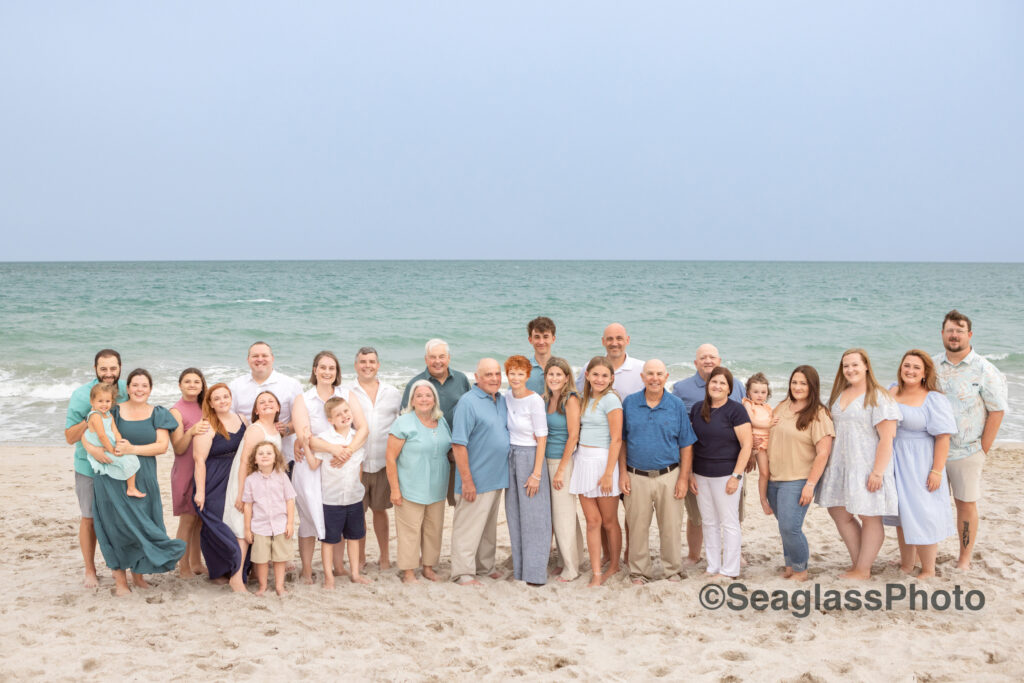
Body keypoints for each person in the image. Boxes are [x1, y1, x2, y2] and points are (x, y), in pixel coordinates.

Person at [82, 368, 185, 596]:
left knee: (142, 525)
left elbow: (161, 446)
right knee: (114, 526)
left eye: (144, 385)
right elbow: (87, 433)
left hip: (144, 476)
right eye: (135, 385)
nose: (139, 389)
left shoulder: (158, 413)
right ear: (127, 388)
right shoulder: (112, 410)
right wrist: (92, 449)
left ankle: (138, 576)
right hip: (111, 475)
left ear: (150, 389)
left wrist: (132, 449)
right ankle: (120, 581)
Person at [815, 349, 900, 580]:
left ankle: (863, 569)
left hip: (867, 465)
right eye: (846, 366)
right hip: (841, 464)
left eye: (855, 365)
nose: (850, 370)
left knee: (869, 515)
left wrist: (878, 472)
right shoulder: (839, 395)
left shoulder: (878, 397)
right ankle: (859, 562)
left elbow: (887, 438)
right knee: (838, 511)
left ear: (866, 367)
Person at [933, 310, 1008, 570]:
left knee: (965, 505)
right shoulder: (930, 366)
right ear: (942, 334)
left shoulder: (985, 369)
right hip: (932, 451)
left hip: (968, 451)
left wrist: (982, 449)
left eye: (960, 330)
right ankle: (926, 555)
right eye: (950, 330)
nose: (954, 335)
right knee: (929, 504)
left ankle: (964, 558)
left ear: (969, 334)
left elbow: (997, 410)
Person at [290, 351, 368, 583]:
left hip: (344, 460)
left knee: (338, 511)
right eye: (322, 367)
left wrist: (348, 451)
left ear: (337, 372)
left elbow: (362, 428)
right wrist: (335, 450)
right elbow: (306, 436)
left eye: (331, 368)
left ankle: (339, 567)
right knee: (310, 518)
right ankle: (306, 569)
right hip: (313, 464)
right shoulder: (303, 399)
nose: (327, 372)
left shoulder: (347, 395)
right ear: (314, 370)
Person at [620, 360, 697, 584]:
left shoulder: (676, 405)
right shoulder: (630, 403)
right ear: (642, 377)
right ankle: (639, 572)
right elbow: (622, 441)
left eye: (659, 374)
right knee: (637, 527)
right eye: (650, 374)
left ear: (666, 377)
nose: (655, 378)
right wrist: (623, 474)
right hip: (636, 475)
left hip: (669, 476)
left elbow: (686, 444)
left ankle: (672, 571)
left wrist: (683, 478)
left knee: (671, 527)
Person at [671, 343, 746, 565]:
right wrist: (688, 471)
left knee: (731, 517)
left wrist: (740, 470)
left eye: (712, 357)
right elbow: (683, 433)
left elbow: (747, 431)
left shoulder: (738, 391)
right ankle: (699, 558)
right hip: (700, 469)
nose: (708, 361)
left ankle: (733, 560)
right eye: (703, 357)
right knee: (701, 518)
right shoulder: (684, 392)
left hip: (730, 468)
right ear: (695, 363)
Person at [884, 351, 957, 579]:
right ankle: (907, 564)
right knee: (902, 514)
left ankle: (928, 569)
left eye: (916, 367)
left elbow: (943, 437)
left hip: (920, 460)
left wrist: (936, 470)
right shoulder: (892, 390)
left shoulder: (933, 398)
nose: (910, 371)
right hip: (896, 459)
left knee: (923, 513)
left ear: (925, 372)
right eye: (907, 365)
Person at [764, 366, 835, 581]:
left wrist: (810, 484)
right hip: (774, 478)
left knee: (790, 527)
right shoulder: (781, 407)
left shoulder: (819, 414)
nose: (797, 387)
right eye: (794, 382)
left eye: (803, 383)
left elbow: (823, 453)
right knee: (783, 525)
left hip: (797, 480)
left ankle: (801, 569)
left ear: (812, 386)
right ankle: (790, 565)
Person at [64, 349, 127, 588]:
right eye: (103, 369)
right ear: (95, 369)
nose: (108, 374)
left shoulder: (128, 391)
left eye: (113, 368)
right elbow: (70, 437)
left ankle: (120, 568)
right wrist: (93, 417)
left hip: (118, 466)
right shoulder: (82, 395)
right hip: (88, 467)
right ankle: (90, 570)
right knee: (89, 517)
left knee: (120, 518)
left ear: (120, 367)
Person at [686, 367, 752, 579]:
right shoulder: (697, 409)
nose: (717, 386)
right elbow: (691, 444)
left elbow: (747, 445)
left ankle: (730, 569)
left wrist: (736, 476)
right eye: (714, 382)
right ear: (708, 385)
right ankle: (713, 566)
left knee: (729, 522)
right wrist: (689, 475)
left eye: (723, 383)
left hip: (727, 475)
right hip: (701, 475)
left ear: (729, 388)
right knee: (708, 521)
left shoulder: (736, 411)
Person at [449, 358, 510, 586]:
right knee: (468, 527)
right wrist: (467, 481)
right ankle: (462, 572)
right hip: (475, 478)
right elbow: (458, 444)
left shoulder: (501, 400)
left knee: (487, 527)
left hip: (497, 477)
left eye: (497, 374)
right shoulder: (468, 402)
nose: (494, 378)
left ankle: (485, 566)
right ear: (477, 377)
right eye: (488, 375)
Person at [385, 380, 452, 583]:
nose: (424, 399)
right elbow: (390, 457)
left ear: (434, 400)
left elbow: (449, 450)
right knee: (409, 531)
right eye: (419, 396)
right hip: (410, 487)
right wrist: (395, 489)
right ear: (412, 400)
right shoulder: (403, 422)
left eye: (428, 395)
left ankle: (429, 568)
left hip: (437, 487)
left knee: (434, 530)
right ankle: (408, 572)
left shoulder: (441, 421)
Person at [569, 357, 624, 587]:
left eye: (604, 375)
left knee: (609, 521)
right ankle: (596, 572)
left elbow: (617, 439)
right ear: (588, 375)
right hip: (583, 460)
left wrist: (609, 472)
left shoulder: (612, 400)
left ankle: (613, 564)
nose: (599, 379)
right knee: (592, 521)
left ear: (611, 378)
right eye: (595, 374)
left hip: (604, 462)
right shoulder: (583, 399)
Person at [347, 346, 403, 571]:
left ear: (378, 365)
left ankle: (384, 556)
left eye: (371, 361)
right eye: (362, 361)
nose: (367, 365)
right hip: (355, 464)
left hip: (383, 462)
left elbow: (401, 423)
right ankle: (359, 557)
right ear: (356, 365)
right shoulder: (346, 391)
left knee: (380, 510)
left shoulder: (392, 392)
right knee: (357, 513)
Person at [308, 397, 371, 586]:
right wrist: (303, 442)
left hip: (353, 497)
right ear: (330, 420)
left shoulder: (357, 438)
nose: (344, 416)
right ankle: (328, 576)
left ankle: (355, 574)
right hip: (331, 499)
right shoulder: (325, 439)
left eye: (346, 411)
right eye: (338, 414)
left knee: (354, 537)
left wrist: (358, 486)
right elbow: (313, 464)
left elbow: (359, 466)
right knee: (329, 540)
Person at [401, 339, 471, 507]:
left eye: (442, 356)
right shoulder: (415, 384)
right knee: (429, 503)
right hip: (427, 454)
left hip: (456, 452)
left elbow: (471, 411)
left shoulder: (461, 379)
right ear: (426, 359)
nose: (437, 361)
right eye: (433, 357)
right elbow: (405, 420)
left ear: (449, 358)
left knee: (460, 502)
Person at [192, 383, 248, 592]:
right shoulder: (207, 425)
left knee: (238, 521)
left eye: (226, 396)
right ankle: (218, 571)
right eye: (217, 398)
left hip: (237, 476)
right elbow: (199, 460)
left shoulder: (242, 419)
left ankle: (236, 570)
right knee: (214, 524)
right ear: (210, 403)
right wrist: (200, 491)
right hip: (213, 479)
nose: (222, 401)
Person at [225, 390, 284, 583]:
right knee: (242, 531)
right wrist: (241, 493)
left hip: (262, 487)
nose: (267, 403)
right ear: (256, 411)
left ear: (277, 407)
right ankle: (236, 578)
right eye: (261, 402)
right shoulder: (255, 430)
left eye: (270, 401)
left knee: (257, 529)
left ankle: (253, 574)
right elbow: (243, 462)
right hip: (245, 484)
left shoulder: (275, 430)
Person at [503, 355, 551, 586]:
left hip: (531, 457)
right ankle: (520, 570)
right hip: (511, 457)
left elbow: (542, 437)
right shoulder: (506, 397)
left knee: (535, 517)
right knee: (514, 515)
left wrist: (536, 473)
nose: (515, 377)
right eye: (512, 373)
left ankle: (535, 574)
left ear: (528, 376)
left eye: (520, 373)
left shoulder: (535, 401)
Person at [543, 357, 585, 582]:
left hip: (563, 463)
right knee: (560, 513)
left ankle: (571, 567)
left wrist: (560, 470)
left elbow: (573, 436)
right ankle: (565, 559)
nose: (555, 378)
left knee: (563, 516)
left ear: (567, 378)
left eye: (559, 375)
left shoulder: (570, 400)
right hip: (546, 461)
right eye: (551, 374)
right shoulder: (546, 399)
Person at [228, 341, 303, 457]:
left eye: (264, 355)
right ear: (248, 360)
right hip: (246, 453)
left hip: (282, 454)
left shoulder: (291, 385)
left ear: (272, 358)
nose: (260, 359)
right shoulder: (235, 386)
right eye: (255, 356)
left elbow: (301, 420)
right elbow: (228, 418)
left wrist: (287, 429)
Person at [169, 368, 209, 578]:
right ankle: (182, 566)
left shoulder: (205, 407)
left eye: (196, 381)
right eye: (187, 381)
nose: (192, 385)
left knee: (199, 520)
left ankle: (196, 562)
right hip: (185, 471)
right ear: (180, 385)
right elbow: (178, 447)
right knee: (187, 520)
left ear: (202, 385)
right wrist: (191, 431)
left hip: (203, 470)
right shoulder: (176, 411)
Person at [243, 441, 296, 596]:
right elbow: (248, 505)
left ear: (275, 458)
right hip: (259, 526)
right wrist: (247, 529)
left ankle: (280, 586)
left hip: (280, 525)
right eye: (260, 453)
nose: (264, 456)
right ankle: (263, 586)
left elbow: (290, 500)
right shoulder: (251, 480)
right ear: (255, 460)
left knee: (280, 558)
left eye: (268, 453)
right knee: (261, 559)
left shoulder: (282, 477)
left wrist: (290, 523)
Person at [84, 383, 144, 498]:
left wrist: (120, 443)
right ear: (92, 402)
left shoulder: (109, 415)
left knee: (131, 457)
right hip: (102, 448)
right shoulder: (95, 416)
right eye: (100, 401)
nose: (104, 404)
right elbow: (101, 436)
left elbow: (116, 432)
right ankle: (131, 488)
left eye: (107, 401)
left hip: (110, 446)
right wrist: (112, 450)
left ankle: (131, 487)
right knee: (126, 461)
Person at [575, 323, 645, 397]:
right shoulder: (590, 367)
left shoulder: (641, 369)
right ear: (603, 341)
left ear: (627, 340)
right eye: (610, 339)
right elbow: (577, 395)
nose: (614, 343)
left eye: (619, 338)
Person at [743, 373, 773, 513]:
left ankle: (773, 496)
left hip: (771, 443)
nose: (760, 395)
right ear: (749, 392)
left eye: (763, 392)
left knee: (773, 473)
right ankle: (762, 499)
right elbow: (752, 421)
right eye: (755, 392)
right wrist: (770, 424)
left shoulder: (767, 407)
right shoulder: (748, 404)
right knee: (764, 473)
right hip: (759, 444)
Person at [525, 316, 557, 394]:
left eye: (545, 337)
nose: (541, 342)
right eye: (537, 337)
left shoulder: (562, 368)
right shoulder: (523, 369)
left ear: (553, 339)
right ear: (530, 340)